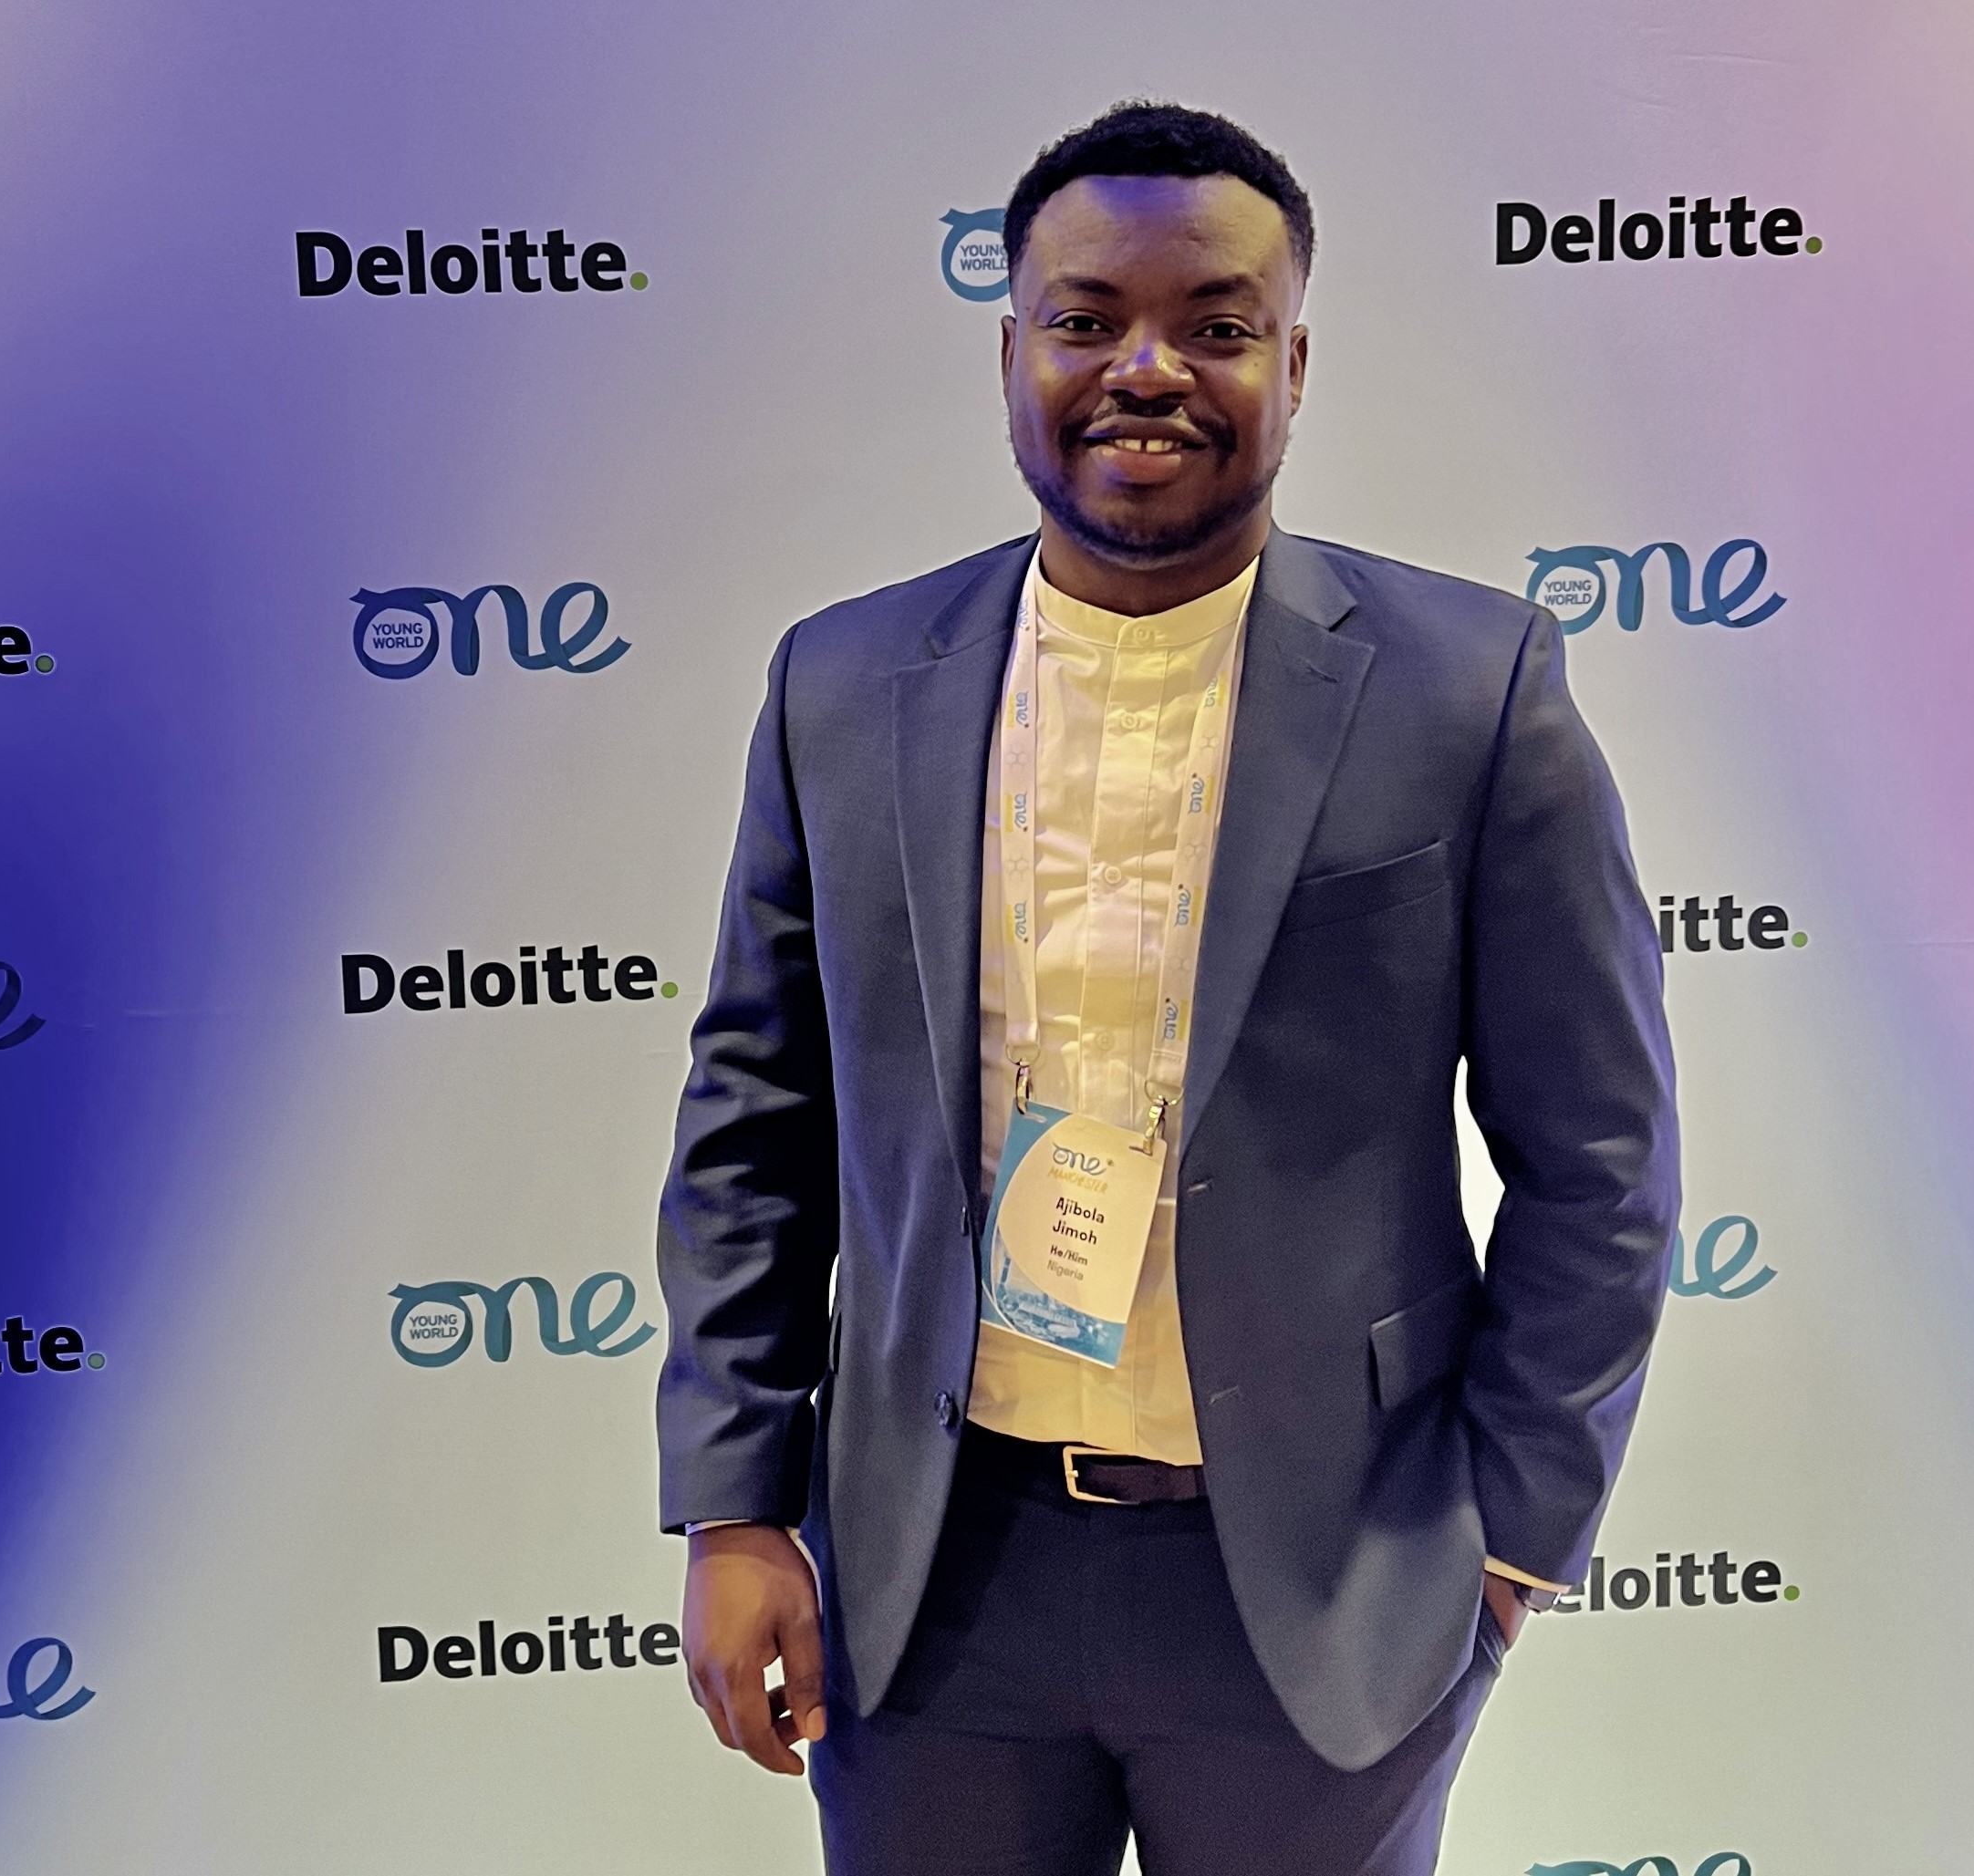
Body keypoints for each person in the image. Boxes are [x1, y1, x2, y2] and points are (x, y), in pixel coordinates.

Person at [656, 101, 1678, 1875]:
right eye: (1085, 320)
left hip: (1319, 1584)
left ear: (1294, 359)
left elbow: (1601, 1159)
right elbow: (756, 1126)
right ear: (1012, 354)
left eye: (1215, 326)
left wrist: (1504, 1542)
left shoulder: (1470, 688)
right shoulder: (845, 684)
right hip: (931, 1578)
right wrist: (736, 1503)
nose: (1149, 368)